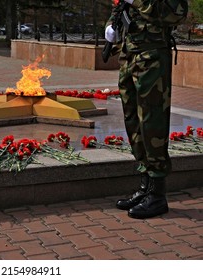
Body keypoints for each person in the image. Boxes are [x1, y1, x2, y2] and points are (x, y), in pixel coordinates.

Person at [104, 0, 187, 219]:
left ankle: (157, 194)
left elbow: (176, 12)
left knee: (152, 122)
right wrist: (111, 25)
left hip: (152, 57)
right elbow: (120, 9)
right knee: (133, 120)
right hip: (129, 55)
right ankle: (145, 186)